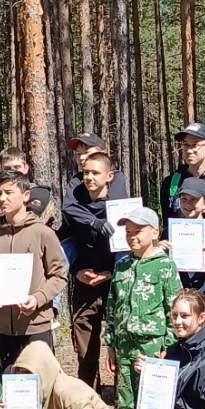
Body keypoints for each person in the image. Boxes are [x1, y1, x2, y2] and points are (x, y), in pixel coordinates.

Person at [0, 171, 69, 369]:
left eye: (9, 192)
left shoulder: (42, 233)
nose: (2, 198)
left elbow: (59, 275)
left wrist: (37, 298)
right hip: (2, 328)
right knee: (9, 387)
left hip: (36, 324)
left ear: (26, 196)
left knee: (39, 386)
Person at [104, 206, 181, 409]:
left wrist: (168, 346)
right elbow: (112, 308)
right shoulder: (121, 266)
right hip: (123, 346)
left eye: (138, 231)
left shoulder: (164, 266)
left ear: (155, 233)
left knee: (151, 401)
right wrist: (110, 343)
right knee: (125, 402)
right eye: (128, 232)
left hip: (151, 347)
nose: (132, 237)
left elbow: (174, 311)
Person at [60, 149, 119, 384]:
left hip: (114, 282)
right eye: (86, 172)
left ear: (110, 176)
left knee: (120, 342)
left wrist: (111, 273)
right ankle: (88, 395)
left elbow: (132, 248)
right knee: (84, 344)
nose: (89, 177)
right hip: (84, 283)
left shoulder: (120, 207)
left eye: (95, 173)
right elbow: (63, 246)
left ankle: (120, 399)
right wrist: (76, 272)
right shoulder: (74, 210)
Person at [160, 121, 205, 214]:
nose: (189, 150)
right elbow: (167, 223)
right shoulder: (171, 184)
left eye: (195, 145)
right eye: (186, 144)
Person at [170, 175, 205, 295]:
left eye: (194, 199)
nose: (188, 204)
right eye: (184, 199)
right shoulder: (169, 232)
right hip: (177, 293)